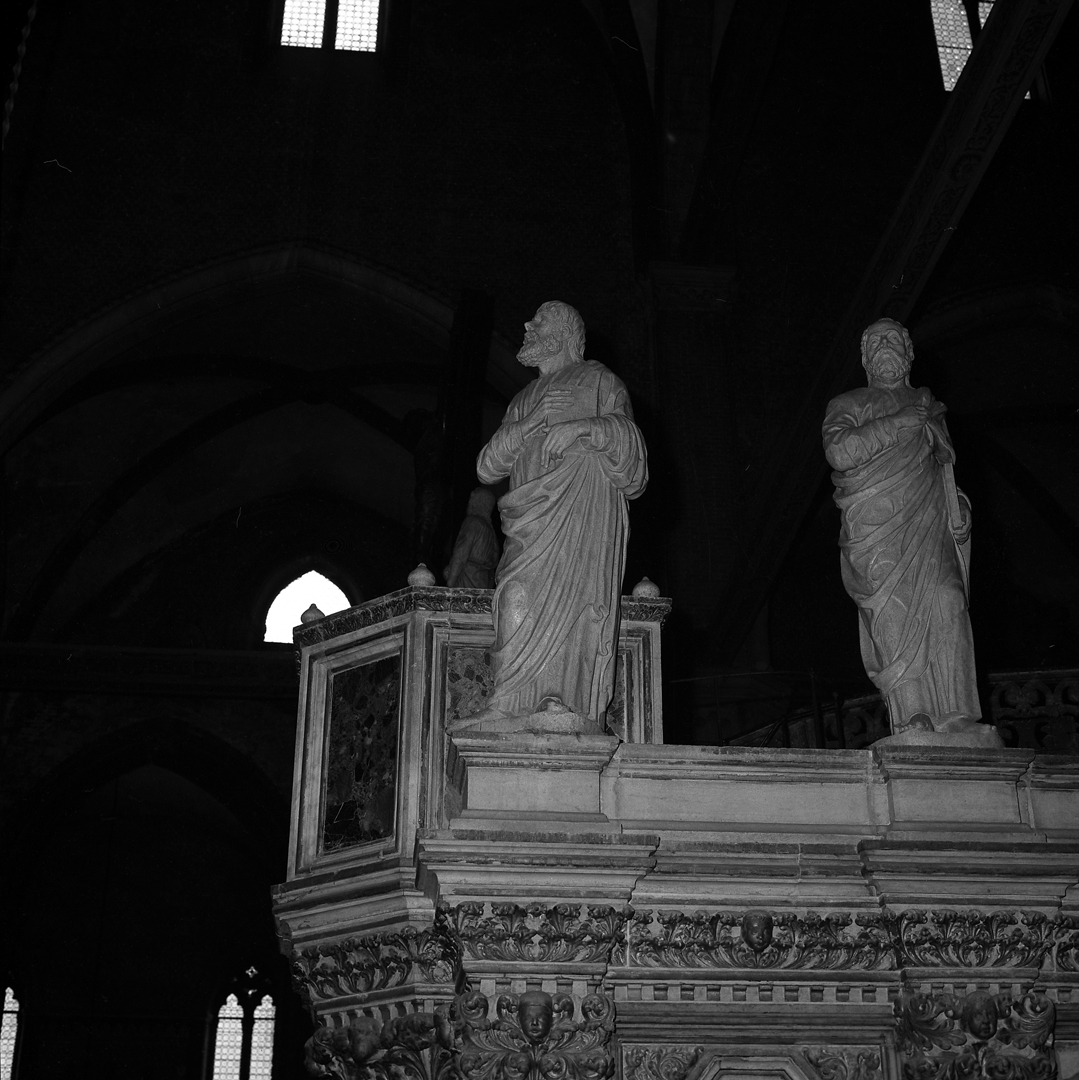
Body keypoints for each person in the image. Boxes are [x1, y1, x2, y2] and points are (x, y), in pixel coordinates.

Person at [453, 301, 648, 733]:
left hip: (582, 521)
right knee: (515, 594)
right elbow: (487, 466)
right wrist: (531, 424)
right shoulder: (523, 399)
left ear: (561, 335)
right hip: (530, 523)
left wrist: (582, 428)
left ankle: (567, 700)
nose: (527, 325)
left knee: (578, 602)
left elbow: (632, 455)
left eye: (538, 321)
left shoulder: (598, 380)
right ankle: (507, 701)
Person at [823, 318, 995, 742]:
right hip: (876, 527)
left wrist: (962, 505)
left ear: (909, 353)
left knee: (949, 600)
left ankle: (956, 713)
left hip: (929, 524)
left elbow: (944, 469)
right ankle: (912, 714)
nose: (885, 346)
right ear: (865, 358)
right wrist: (902, 421)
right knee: (894, 613)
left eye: (894, 340)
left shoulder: (930, 408)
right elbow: (840, 451)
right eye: (876, 342)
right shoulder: (849, 402)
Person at [444, 487, 500, 589]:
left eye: (471, 499)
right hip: (483, 582)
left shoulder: (472, 522)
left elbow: (460, 554)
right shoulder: (490, 531)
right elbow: (495, 561)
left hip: (467, 579)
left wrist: (450, 583)